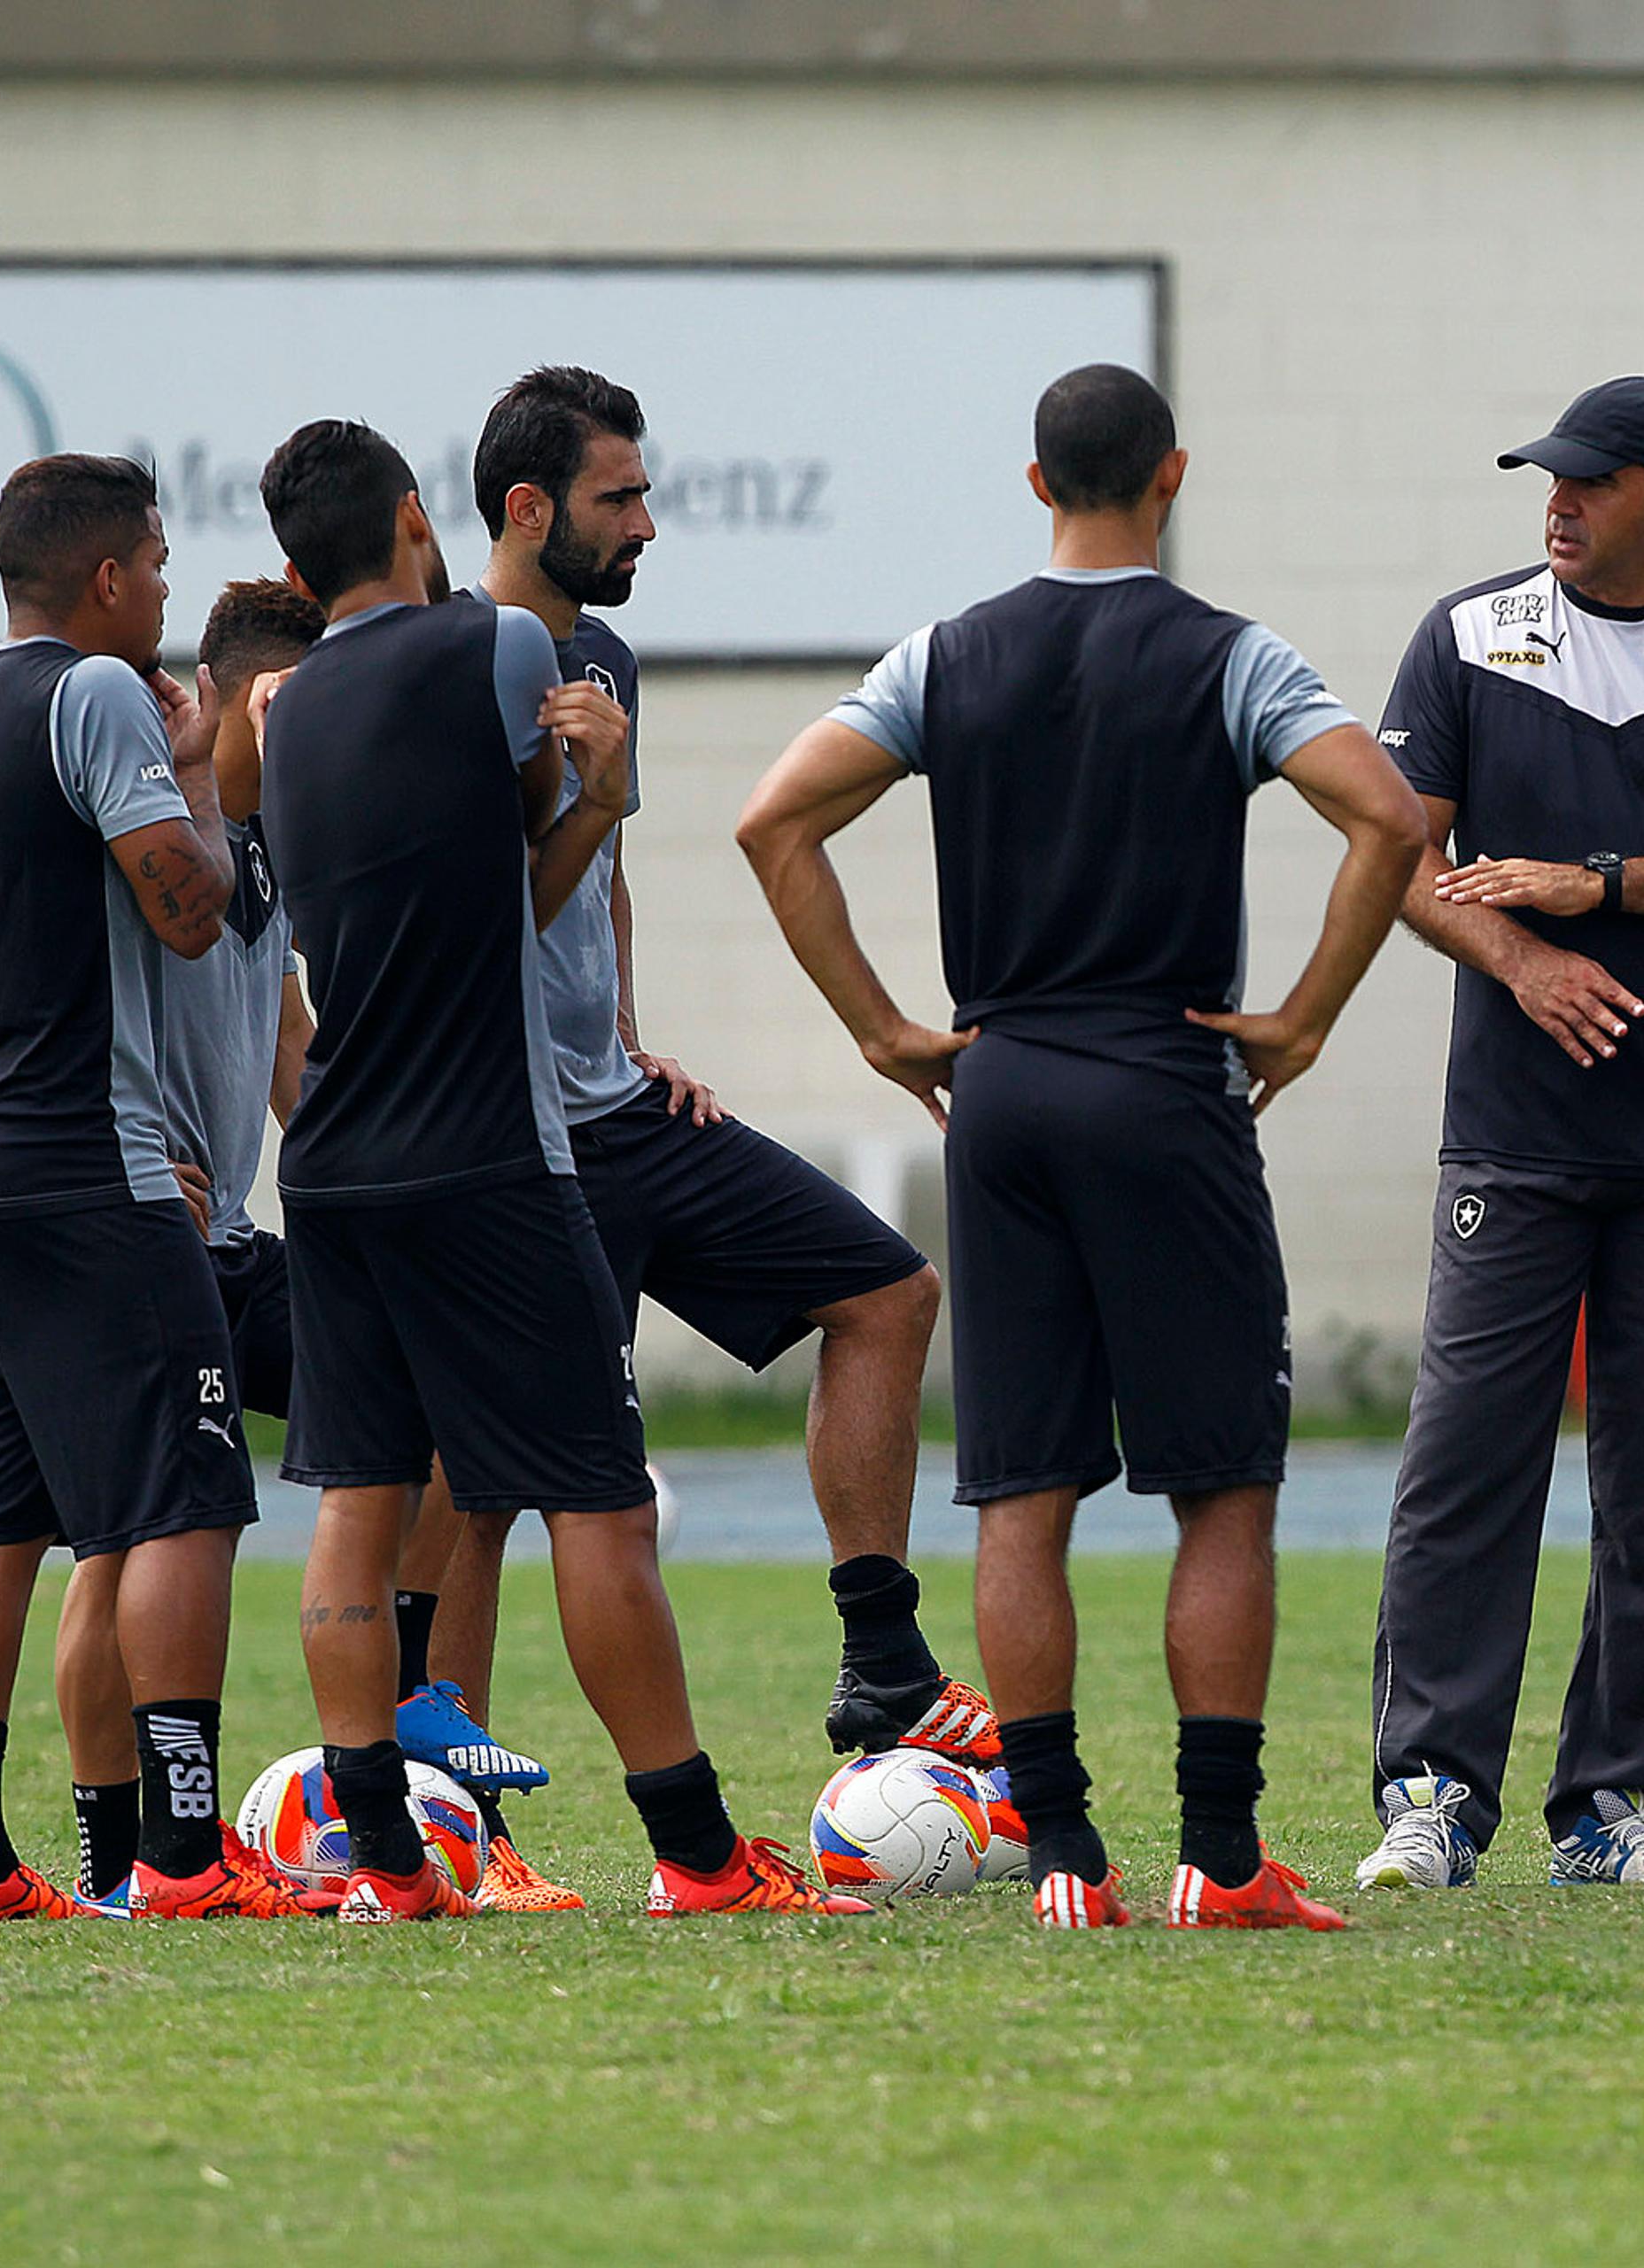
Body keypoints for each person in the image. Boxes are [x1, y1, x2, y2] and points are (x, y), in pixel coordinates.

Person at [738, 364, 1423, 1931]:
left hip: (1006, 1089)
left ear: (1035, 485)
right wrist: (1306, 1018)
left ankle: (1060, 1855)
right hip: (1165, 1080)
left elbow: (774, 820)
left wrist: (885, 1031)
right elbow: (1387, 819)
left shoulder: (945, 654)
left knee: (1023, 1495)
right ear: (1168, 476)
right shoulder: (1229, 656)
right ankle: (1224, 1861)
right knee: (1223, 1492)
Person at [259, 417, 863, 1920]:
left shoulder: (280, 709)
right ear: (420, 523)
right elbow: (525, 889)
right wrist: (601, 793)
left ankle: (390, 1862)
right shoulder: (496, 655)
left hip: (332, 1156)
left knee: (359, 1501)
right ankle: (702, 1856)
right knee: (598, 1506)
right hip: (482, 1151)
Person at [409, 367, 978, 1913]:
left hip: (624, 1111)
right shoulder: (465, 670)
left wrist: (627, 1029)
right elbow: (493, 908)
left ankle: (880, 1662)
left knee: (889, 1295)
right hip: (512, 1147)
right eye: (621, 497)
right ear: (530, 511)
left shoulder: (605, 658)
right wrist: (597, 798)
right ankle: (459, 1823)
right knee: (482, 1484)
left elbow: (596, 884)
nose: (649, 522)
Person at [1351, 375, 1644, 1896]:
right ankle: (1432, 1794)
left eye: (1591, 481)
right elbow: (1401, 852)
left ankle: (1612, 1808)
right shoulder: (1468, 633)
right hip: (1513, 1132)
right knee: (1466, 1467)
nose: (1556, 502)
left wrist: (1599, 884)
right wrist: (1525, 959)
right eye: (1546, 480)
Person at [0, 454, 302, 1922]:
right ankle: (181, 1858)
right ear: (107, 578)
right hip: (86, 1166)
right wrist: (195, 782)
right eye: (159, 567)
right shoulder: (96, 693)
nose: (167, 592)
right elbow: (187, 912)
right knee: (183, 1497)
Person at [46, 577, 330, 1914]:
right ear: (242, 698)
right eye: (300, 710)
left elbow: (283, 1035)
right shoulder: (139, 800)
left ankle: (409, 1752)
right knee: (130, 1538)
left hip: (235, 1240)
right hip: (138, 1222)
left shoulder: (264, 835)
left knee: (429, 1418)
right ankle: (132, 1855)